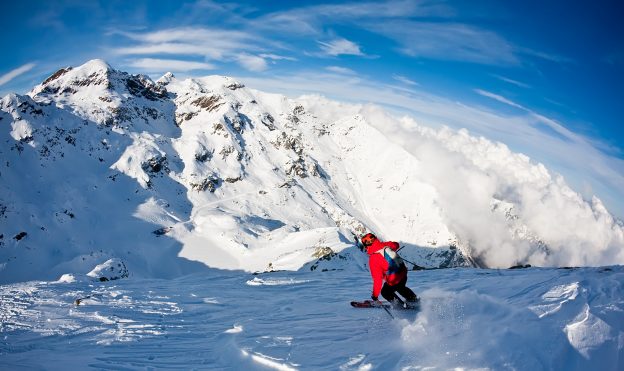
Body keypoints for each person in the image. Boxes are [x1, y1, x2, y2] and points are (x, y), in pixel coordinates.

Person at [361, 233, 418, 307]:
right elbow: (396, 245)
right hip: (403, 272)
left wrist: (375, 295)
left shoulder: (373, 258)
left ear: (366, 245)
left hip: (394, 279)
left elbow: (378, 279)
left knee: (385, 292)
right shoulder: (385, 245)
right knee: (401, 287)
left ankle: (400, 306)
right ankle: (413, 299)